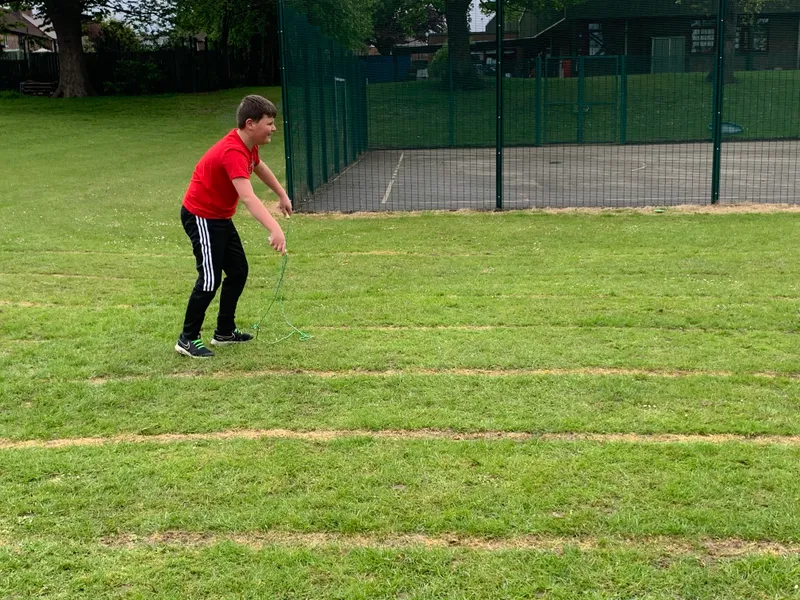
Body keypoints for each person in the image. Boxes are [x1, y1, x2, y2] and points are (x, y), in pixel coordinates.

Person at [175, 94, 293, 358]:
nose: (274, 128)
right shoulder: (232, 151)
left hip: (219, 217)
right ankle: (187, 338)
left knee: (238, 271)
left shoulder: (247, 145)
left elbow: (259, 167)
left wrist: (282, 194)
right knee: (209, 279)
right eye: (269, 123)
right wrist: (274, 228)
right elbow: (248, 197)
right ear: (251, 124)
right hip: (201, 217)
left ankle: (224, 332)